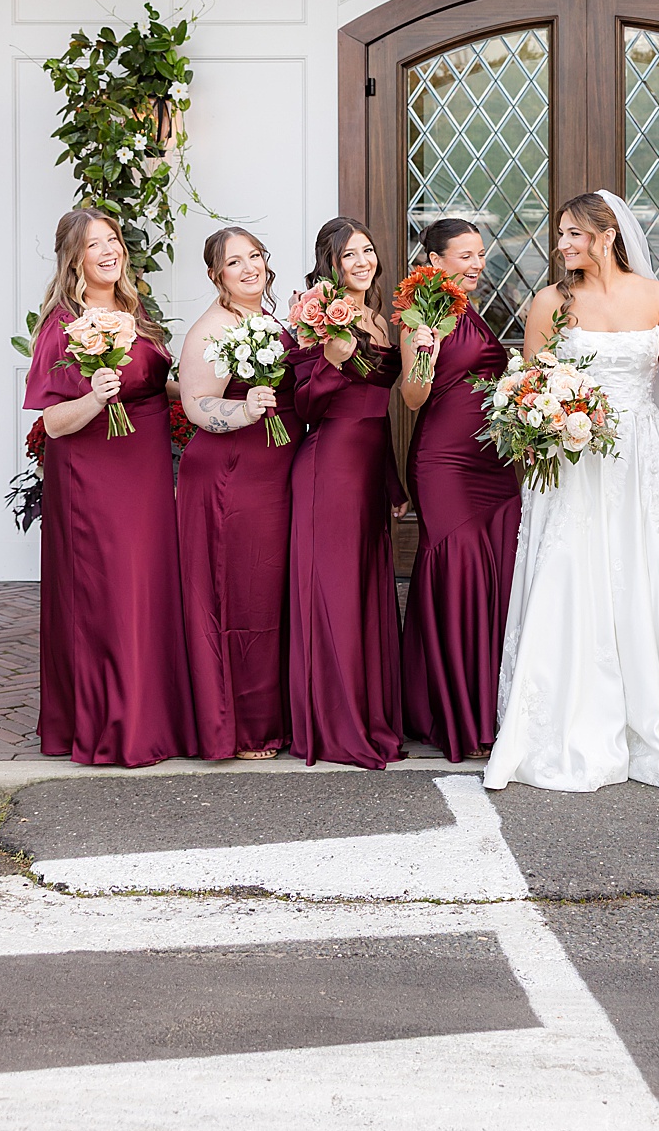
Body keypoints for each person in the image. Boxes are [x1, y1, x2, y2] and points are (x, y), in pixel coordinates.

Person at [482, 193, 659, 793]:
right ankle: (572, 724)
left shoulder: (654, 296)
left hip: (639, 456)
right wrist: (544, 418)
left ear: (607, 234)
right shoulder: (548, 304)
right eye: (560, 235)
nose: (563, 245)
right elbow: (528, 386)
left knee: (647, 578)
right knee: (574, 578)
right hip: (573, 460)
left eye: (573, 234)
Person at [23, 209, 193, 766]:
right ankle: (112, 725)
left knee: (147, 587)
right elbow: (51, 422)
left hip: (142, 466)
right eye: (94, 244)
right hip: (92, 473)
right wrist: (96, 397)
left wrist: (213, 378)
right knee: (108, 592)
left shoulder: (133, 312)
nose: (108, 250)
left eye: (113, 240)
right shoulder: (60, 326)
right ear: (74, 257)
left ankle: (152, 717)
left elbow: (153, 385)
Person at [397, 218, 521, 763]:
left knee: (499, 571)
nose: (477, 263)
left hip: (492, 462)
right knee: (460, 569)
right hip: (444, 462)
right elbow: (412, 397)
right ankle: (452, 715)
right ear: (435, 259)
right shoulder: (420, 313)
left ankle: (492, 707)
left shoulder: (471, 311)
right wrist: (422, 353)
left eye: (481, 253)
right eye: (465, 255)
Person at [283, 218, 405, 769]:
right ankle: (336, 726)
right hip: (328, 468)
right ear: (331, 262)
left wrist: (392, 479)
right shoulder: (314, 320)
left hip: (369, 468)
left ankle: (368, 715)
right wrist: (331, 360)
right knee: (335, 596)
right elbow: (305, 406)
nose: (362, 261)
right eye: (350, 253)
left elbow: (381, 411)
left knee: (365, 594)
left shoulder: (381, 320)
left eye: (368, 251)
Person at [176, 227, 298, 760]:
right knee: (245, 594)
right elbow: (196, 404)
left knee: (272, 591)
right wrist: (242, 411)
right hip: (233, 474)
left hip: (276, 469)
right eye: (235, 262)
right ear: (215, 275)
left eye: (256, 256)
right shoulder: (212, 329)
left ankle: (279, 712)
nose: (250, 268)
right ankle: (245, 724)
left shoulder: (270, 320)